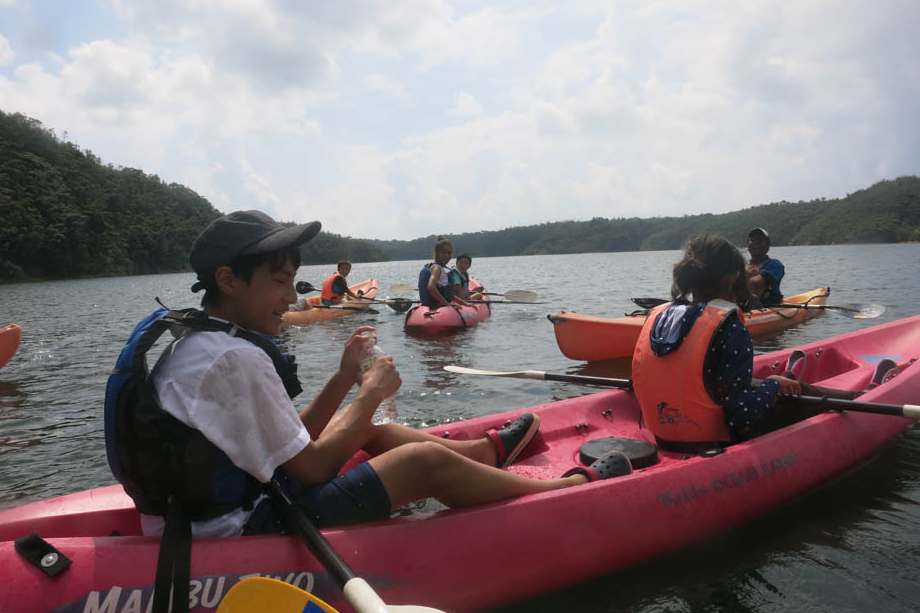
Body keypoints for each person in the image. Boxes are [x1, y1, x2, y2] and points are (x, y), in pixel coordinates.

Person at [124, 210, 628, 543]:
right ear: (227, 281)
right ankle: (562, 494)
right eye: (278, 282)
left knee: (370, 427)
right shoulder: (234, 357)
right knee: (421, 460)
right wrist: (371, 389)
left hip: (227, 505)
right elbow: (314, 468)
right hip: (246, 528)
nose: (289, 298)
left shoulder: (201, 341)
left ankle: (483, 455)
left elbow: (289, 437)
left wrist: (346, 377)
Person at [631, 234, 858, 450]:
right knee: (790, 393)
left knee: (757, 384)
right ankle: (856, 399)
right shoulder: (729, 327)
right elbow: (742, 414)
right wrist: (774, 385)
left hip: (661, 437)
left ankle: (789, 376)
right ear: (731, 278)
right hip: (712, 441)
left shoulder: (657, 316)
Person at [417, 236, 465, 308]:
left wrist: (464, 303)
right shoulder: (437, 268)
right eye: (443, 253)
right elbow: (431, 287)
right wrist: (447, 304)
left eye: (449, 253)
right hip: (438, 307)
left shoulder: (436, 267)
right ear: (437, 253)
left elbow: (449, 294)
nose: (447, 255)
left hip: (432, 305)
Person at [746, 227, 784, 307]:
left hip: (767, 305)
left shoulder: (776, 265)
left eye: (760, 240)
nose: (756, 243)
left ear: (768, 245)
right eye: (752, 240)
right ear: (748, 245)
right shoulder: (743, 264)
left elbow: (755, 282)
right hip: (744, 305)